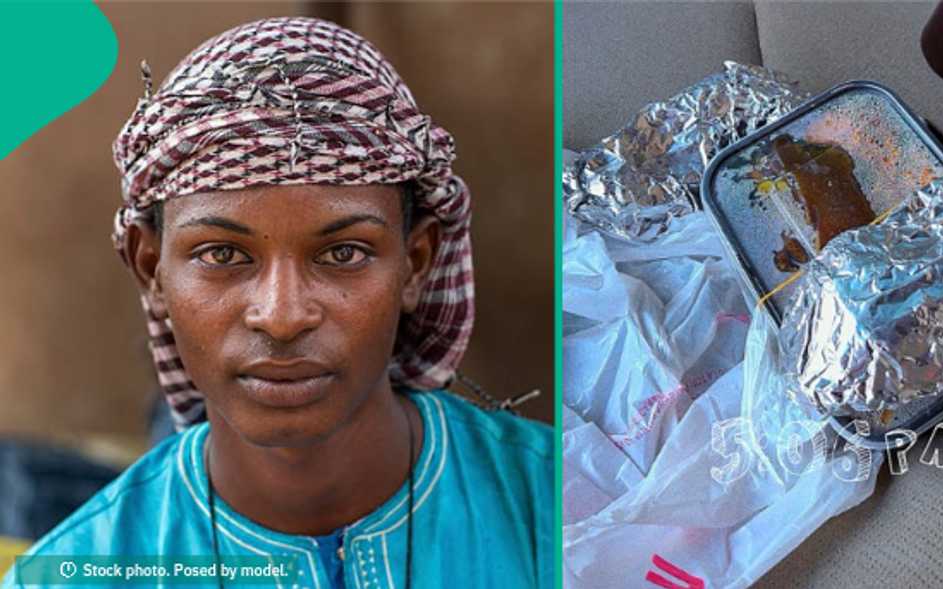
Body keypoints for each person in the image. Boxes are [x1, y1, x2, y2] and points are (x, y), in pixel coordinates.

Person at [2, 16, 552, 589]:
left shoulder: (559, 504)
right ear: (152, 270)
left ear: (416, 264)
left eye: (343, 253)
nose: (283, 315)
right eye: (221, 255)